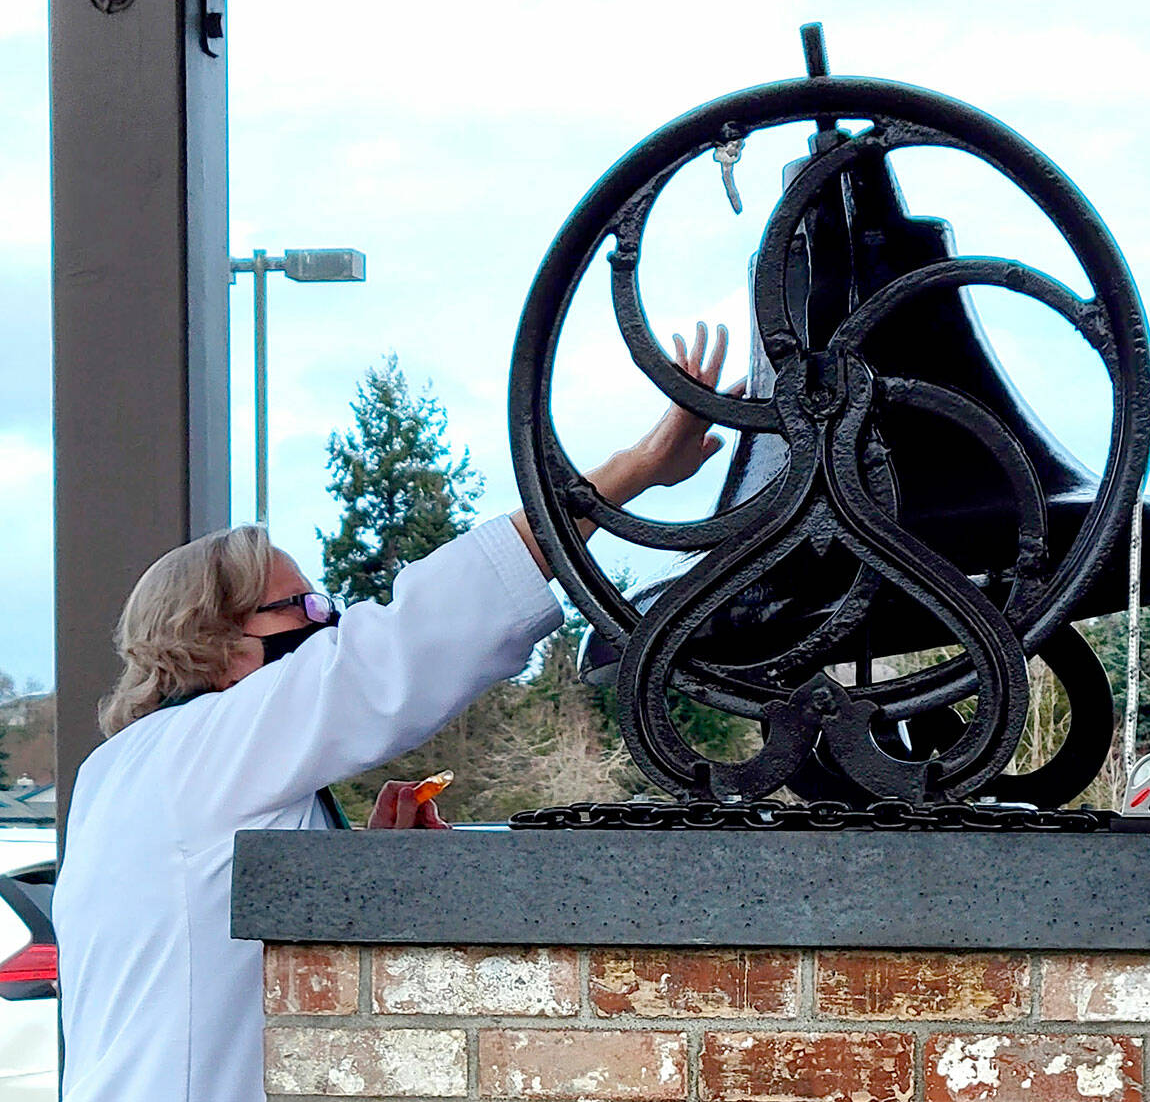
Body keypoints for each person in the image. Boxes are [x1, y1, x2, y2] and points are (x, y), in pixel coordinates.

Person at [53, 324, 738, 1102]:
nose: (331, 621)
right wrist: (631, 473)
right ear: (216, 635)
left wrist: (357, 878)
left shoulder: (128, 769)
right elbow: (408, 642)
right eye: (304, 605)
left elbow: (218, 947)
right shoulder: (201, 750)